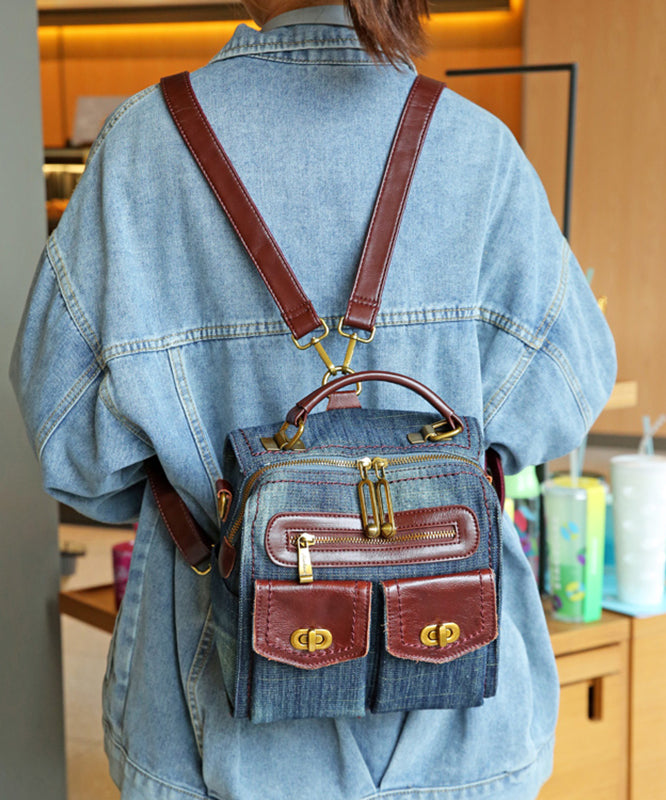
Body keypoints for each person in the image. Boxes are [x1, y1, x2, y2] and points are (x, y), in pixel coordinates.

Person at [11, 1, 616, 798]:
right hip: (462, 723)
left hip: (213, 728)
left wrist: (216, 493)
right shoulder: (479, 150)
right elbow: (566, 394)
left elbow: (73, 450)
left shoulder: (143, 150)